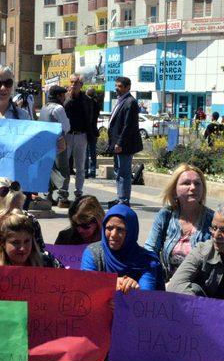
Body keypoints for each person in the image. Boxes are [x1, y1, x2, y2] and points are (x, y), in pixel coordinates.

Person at [0, 210, 63, 361]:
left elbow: (69, 286)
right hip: (8, 340)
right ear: (3, 244)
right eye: (15, 243)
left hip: (41, 335)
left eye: (27, 242)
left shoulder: (46, 261)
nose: (22, 248)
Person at [144, 163, 214, 281]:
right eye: (186, 183)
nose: (193, 187)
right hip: (167, 284)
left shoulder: (212, 219)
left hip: (200, 288)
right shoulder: (165, 215)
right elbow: (150, 251)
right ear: (174, 190)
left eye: (197, 183)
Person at [81, 204, 163, 292]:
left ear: (131, 232)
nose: (113, 234)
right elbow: (87, 286)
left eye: (120, 229)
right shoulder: (93, 253)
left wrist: (133, 287)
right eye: (109, 228)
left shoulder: (147, 260)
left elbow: (146, 296)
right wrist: (111, 283)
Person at [168, 205, 224, 298]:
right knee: (194, 288)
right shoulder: (202, 250)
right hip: (208, 309)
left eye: (223, 230)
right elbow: (175, 285)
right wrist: (203, 306)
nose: (216, 235)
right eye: (214, 228)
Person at [59, 74, 94, 207]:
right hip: (67, 135)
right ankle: (63, 193)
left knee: (80, 166)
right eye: (71, 82)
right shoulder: (65, 99)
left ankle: (78, 192)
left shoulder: (87, 100)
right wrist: (69, 97)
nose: (73, 85)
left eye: (76, 82)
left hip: (81, 136)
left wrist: (90, 133)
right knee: (64, 165)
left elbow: (91, 117)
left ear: (81, 85)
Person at [107, 76, 142, 207]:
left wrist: (120, 143)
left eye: (120, 86)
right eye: (116, 86)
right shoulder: (121, 100)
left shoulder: (130, 102)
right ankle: (120, 197)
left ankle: (124, 200)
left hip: (124, 145)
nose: (117, 88)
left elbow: (129, 126)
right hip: (117, 144)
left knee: (124, 173)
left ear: (128, 87)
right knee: (119, 172)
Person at [38, 85, 70, 205]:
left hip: (45, 145)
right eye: (63, 95)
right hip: (58, 143)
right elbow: (66, 127)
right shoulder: (58, 108)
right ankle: (63, 197)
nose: (64, 98)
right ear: (58, 96)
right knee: (63, 170)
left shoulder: (44, 107)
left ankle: (48, 196)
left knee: (48, 170)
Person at [85, 87, 101, 179]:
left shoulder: (87, 104)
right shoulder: (96, 104)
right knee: (93, 152)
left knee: (86, 153)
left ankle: (86, 171)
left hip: (87, 131)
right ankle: (93, 171)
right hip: (94, 130)